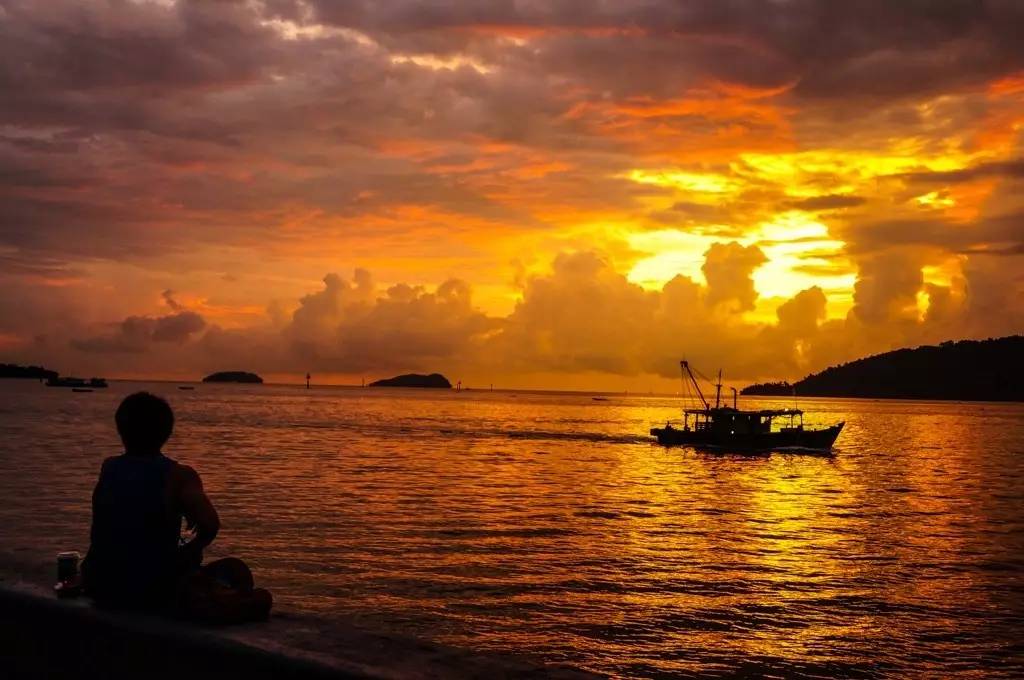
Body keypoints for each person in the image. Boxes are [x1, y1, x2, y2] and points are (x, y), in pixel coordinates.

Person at [82, 391, 272, 624]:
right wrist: (191, 549)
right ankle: (218, 602)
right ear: (167, 432)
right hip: (151, 589)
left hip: (99, 582)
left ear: (120, 429)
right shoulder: (180, 476)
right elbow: (210, 525)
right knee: (240, 573)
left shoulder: (108, 467)